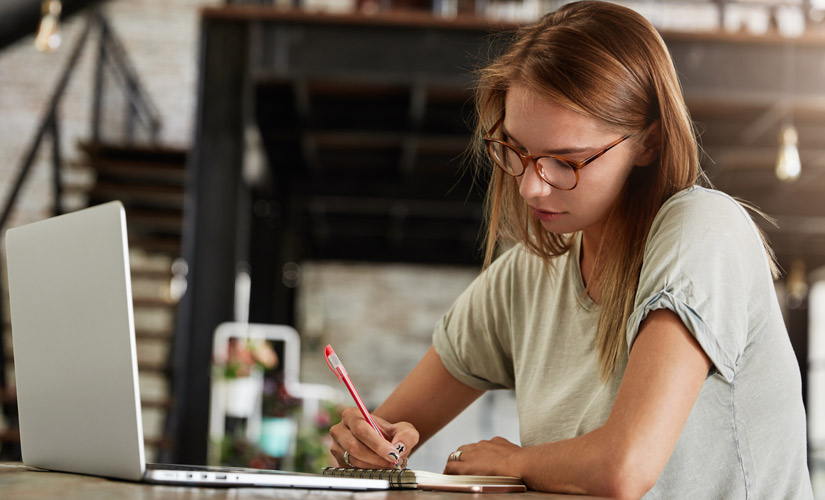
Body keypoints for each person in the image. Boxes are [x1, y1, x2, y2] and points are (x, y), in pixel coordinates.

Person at [328, 2, 814, 498]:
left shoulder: (704, 229)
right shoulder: (525, 277)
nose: (531, 188)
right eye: (516, 151)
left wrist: (514, 461)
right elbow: (387, 429)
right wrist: (368, 441)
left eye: (566, 161)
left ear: (648, 143)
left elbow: (623, 468)